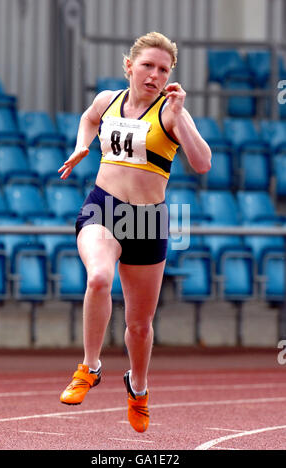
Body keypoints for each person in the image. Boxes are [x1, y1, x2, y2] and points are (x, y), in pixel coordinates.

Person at [58, 31, 211, 433]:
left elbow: (202, 163)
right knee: (98, 278)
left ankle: (138, 388)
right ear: (129, 66)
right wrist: (81, 145)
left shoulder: (171, 112)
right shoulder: (107, 101)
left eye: (163, 69)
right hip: (103, 207)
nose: (154, 75)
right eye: (147, 65)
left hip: (147, 220)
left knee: (139, 326)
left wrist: (181, 116)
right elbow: (89, 119)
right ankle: (89, 367)